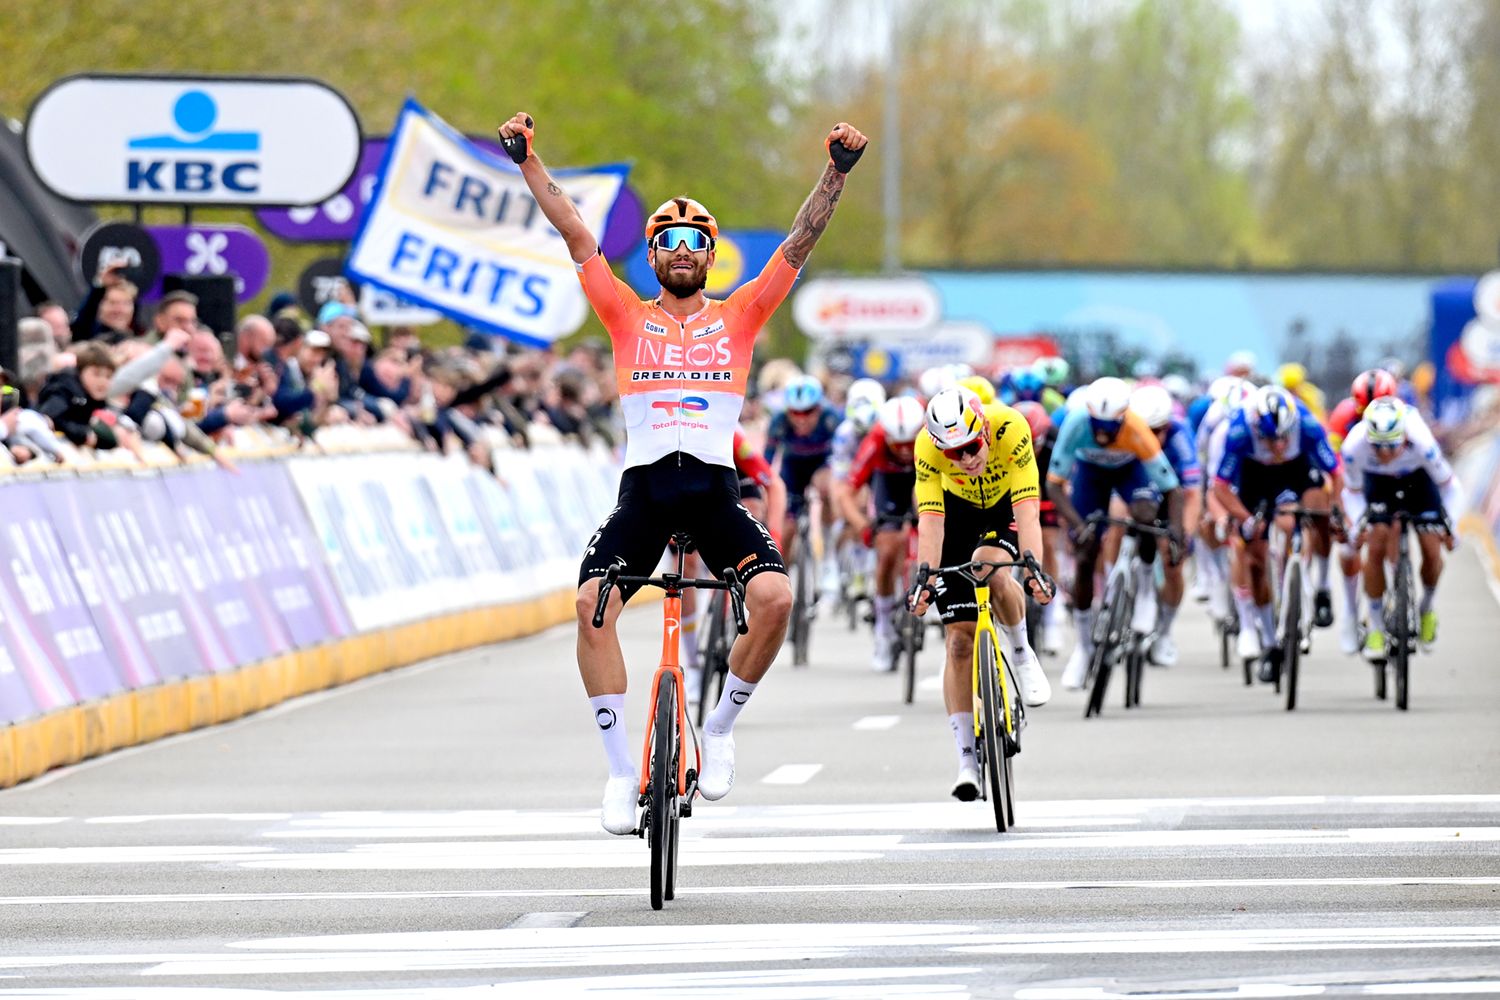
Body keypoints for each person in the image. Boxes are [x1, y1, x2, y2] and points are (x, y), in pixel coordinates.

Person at [499, 108, 867, 833]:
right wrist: (526, 162)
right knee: (588, 608)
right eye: (666, 240)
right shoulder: (624, 314)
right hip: (642, 493)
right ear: (652, 255)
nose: (680, 250)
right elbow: (574, 230)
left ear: (710, 255)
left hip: (712, 491)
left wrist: (836, 172)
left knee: (776, 600)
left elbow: (801, 241)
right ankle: (615, 774)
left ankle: (722, 728)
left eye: (694, 242)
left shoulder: (742, 316)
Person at [908, 386, 1052, 801]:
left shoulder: (1010, 426)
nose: (967, 459)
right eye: (955, 455)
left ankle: (1022, 654)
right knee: (957, 643)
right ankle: (967, 762)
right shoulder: (927, 446)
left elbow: (1028, 509)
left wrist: (1034, 569)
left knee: (989, 566)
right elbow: (932, 519)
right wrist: (925, 577)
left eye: (971, 447)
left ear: (983, 430)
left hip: (1004, 507)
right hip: (957, 516)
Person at [1049, 378, 1185, 690]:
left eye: (1111, 426)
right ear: (1089, 414)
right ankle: (1083, 649)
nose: (1102, 432)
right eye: (1097, 424)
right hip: (1090, 475)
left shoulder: (1137, 429)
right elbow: (1054, 485)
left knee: (1145, 516)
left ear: (1124, 417)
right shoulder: (1075, 424)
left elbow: (1173, 490)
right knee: (1085, 556)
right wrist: (1079, 526)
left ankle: (1147, 590)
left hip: (1129, 471)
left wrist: (1176, 531)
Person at [1210, 385, 1341, 680]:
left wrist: (1336, 510)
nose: (1278, 445)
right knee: (1255, 558)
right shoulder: (1240, 431)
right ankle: (1269, 644)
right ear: (1257, 430)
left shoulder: (1305, 423)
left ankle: (1321, 586)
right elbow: (1219, 487)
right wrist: (1245, 518)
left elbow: (1335, 472)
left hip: (1296, 471)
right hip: (1255, 478)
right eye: (1270, 439)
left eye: (1283, 438)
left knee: (1317, 510)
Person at [1340, 398, 1460, 659]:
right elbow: (1351, 493)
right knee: (1375, 542)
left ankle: (1427, 608)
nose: (1385, 454)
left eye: (1392, 445)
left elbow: (1450, 487)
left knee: (1431, 546)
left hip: (1419, 482)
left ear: (1404, 436)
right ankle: (1375, 626)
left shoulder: (1422, 443)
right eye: (1378, 447)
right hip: (1378, 484)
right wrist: (1358, 522)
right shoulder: (1354, 446)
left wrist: (1452, 526)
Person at [842, 395, 924, 671]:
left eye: (908, 444)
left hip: (921, 480)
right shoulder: (875, 440)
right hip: (887, 485)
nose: (903, 450)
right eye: (897, 444)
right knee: (887, 551)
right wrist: (863, 525)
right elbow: (847, 492)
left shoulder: (928, 437)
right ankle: (884, 628)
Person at [1127, 384, 1202, 667]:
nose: (1154, 438)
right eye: (1148, 430)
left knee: (1173, 563)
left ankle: (1165, 633)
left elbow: (1192, 493)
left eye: (1160, 430)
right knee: (1113, 526)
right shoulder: (1126, 432)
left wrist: (1184, 535)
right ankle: (1114, 591)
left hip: (1171, 495)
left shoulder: (1181, 436)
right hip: (1135, 490)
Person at [1326, 368, 1398, 651]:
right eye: (1364, 408)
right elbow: (1333, 464)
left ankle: (1396, 582)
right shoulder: (1344, 416)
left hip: (1389, 477)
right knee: (1349, 547)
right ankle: (1352, 614)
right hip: (1355, 477)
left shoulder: (1404, 416)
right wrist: (1342, 511)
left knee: (1393, 530)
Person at [764, 373, 843, 601]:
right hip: (793, 470)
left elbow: (843, 457)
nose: (801, 419)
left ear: (819, 408)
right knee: (787, 529)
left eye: (807, 412)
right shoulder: (778, 421)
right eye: (795, 412)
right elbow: (767, 462)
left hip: (822, 465)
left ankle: (828, 556)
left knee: (826, 486)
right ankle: (781, 580)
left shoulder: (831, 418)